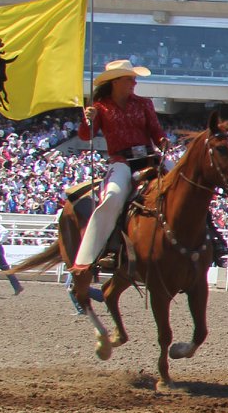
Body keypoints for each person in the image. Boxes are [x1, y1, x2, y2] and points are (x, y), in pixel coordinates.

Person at [70, 59, 170, 286]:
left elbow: (156, 131)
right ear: (115, 82)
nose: (134, 82)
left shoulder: (144, 103)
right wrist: (89, 119)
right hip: (121, 160)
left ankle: (212, 237)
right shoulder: (100, 107)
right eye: (129, 79)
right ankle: (97, 251)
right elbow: (86, 136)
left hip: (148, 156)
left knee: (185, 180)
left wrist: (163, 141)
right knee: (113, 196)